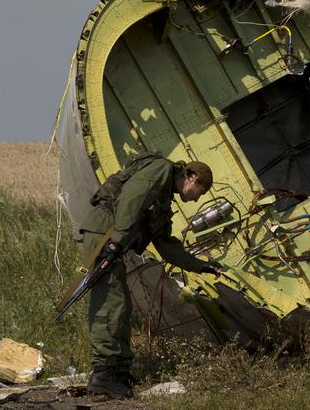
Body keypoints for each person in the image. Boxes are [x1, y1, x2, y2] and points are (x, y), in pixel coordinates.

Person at [79, 153, 222, 398]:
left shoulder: (164, 201)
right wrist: (116, 240)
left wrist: (200, 266)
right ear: (192, 177)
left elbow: (166, 245)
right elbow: (132, 197)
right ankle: (104, 374)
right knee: (110, 303)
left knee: (120, 304)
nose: (197, 198)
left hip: (112, 237)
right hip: (105, 234)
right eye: (201, 190)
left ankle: (119, 371)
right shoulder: (161, 170)